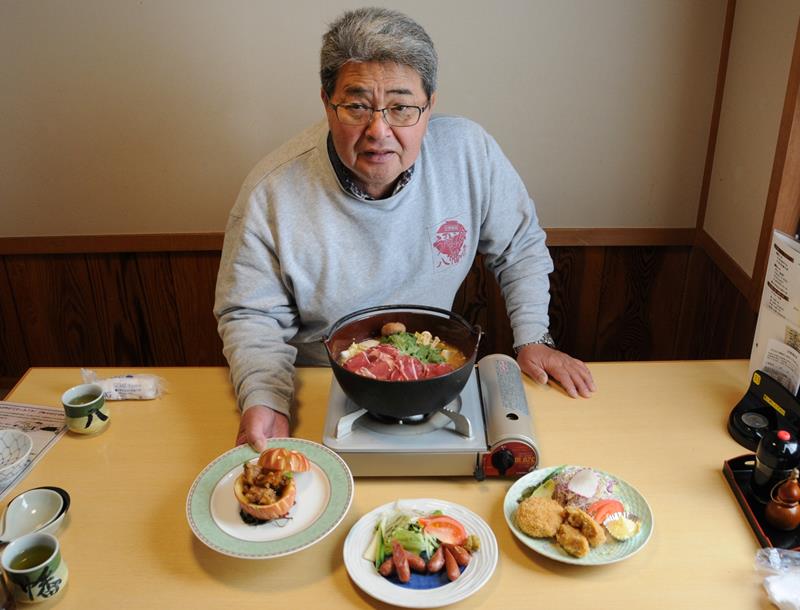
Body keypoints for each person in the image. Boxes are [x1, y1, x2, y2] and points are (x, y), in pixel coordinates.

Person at [214, 7, 595, 451]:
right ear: (326, 102)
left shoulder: (469, 154)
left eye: (401, 107)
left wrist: (533, 336)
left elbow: (520, 247)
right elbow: (251, 314)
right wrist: (265, 398)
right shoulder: (272, 191)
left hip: (435, 369)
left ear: (430, 105)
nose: (379, 130)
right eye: (356, 106)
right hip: (320, 385)